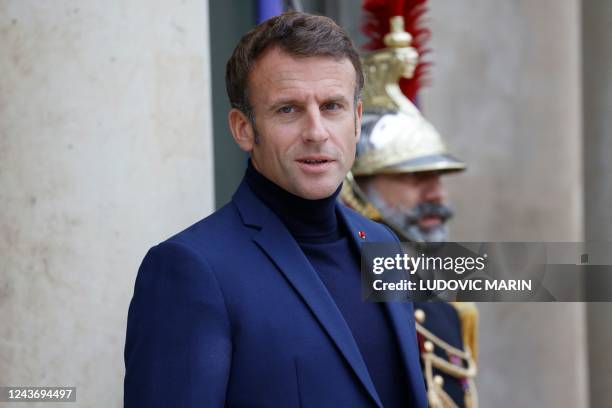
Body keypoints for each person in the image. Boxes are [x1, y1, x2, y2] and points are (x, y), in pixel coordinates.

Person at [124, 12, 427, 408]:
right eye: (288, 109)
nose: (316, 132)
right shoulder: (191, 269)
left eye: (332, 106)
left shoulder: (383, 244)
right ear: (243, 129)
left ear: (356, 120)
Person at [341, 15, 478, 408]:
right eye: (416, 178)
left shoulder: (443, 299)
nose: (436, 193)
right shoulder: (344, 284)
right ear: (357, 186)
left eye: (439, 177)